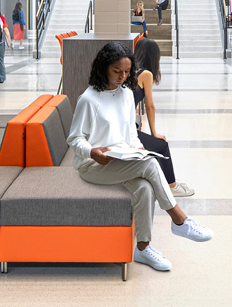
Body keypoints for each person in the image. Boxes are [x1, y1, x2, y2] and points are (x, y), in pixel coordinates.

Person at [69, 42, 213, 272]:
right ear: (104, 67)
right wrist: (92, 152)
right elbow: (74, 138)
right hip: (94, 165)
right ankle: (179, 219)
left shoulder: (126, 93)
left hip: (122, 158)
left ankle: (143, 248)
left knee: (145, 188)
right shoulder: (89, 99)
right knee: (150, 163)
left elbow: (130, 132)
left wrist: (137, 148)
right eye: (117, 71)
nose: (123, 76)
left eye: (127, 71)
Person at [130, 37, 194, 198]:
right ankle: (171, 185)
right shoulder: (145, 74)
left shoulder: (129, 69)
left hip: (121, 126)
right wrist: (154, 133)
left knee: (148, 141)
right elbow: (149, 106)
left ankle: (163, 180)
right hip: (124, 130)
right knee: (161, 145)